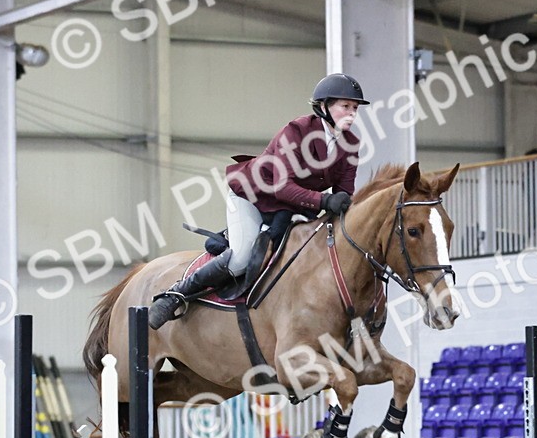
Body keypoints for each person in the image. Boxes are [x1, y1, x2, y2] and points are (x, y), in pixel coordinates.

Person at [147, 73, 370, 329]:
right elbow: (283, 187)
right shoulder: (296, 132)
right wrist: (324, 201)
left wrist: (342, 207)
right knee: (241, 258)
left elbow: (343, 194)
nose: (352, 113)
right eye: (345, 107)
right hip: (252, 196)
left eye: (354, 108)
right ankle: (175, 294)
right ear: (323, 106)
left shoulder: (351, 144)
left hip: (294, 207)